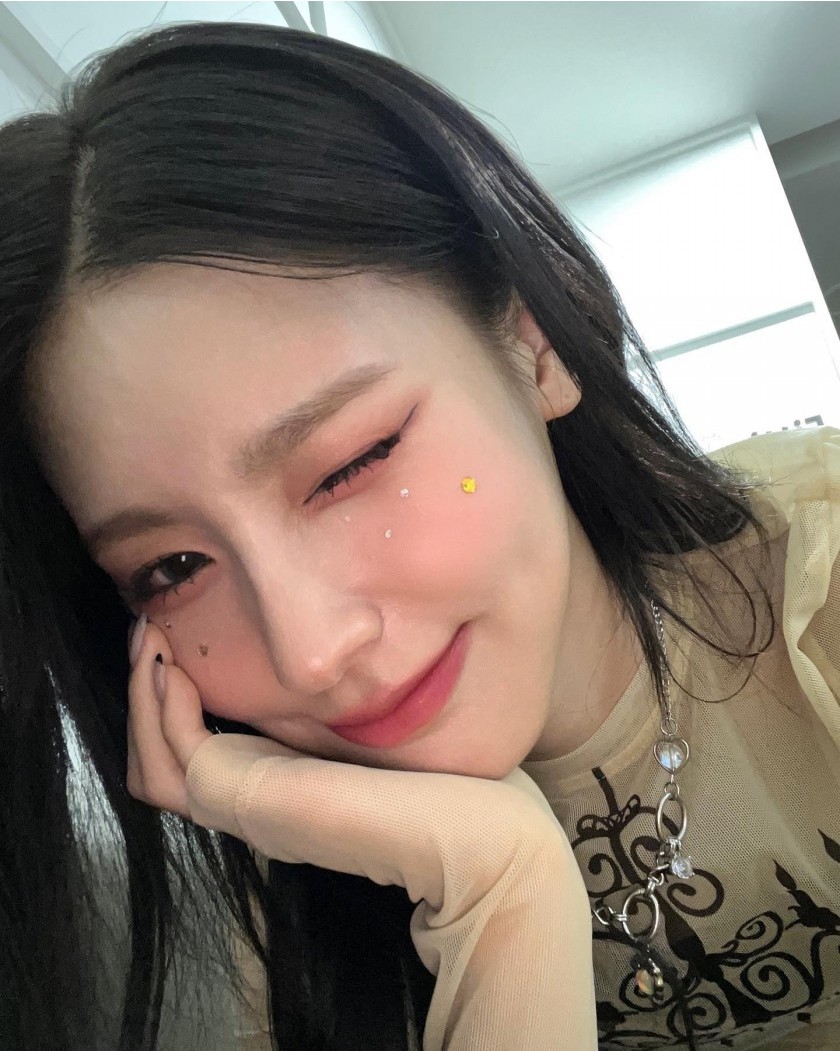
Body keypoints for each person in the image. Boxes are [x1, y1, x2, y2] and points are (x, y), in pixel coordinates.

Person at [0, 19, 837, 1051]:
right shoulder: (287, 881)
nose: (311, 652)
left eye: (352, 462)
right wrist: (501, 896)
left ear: (535, 343)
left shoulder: (819, 581)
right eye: (172, 567)